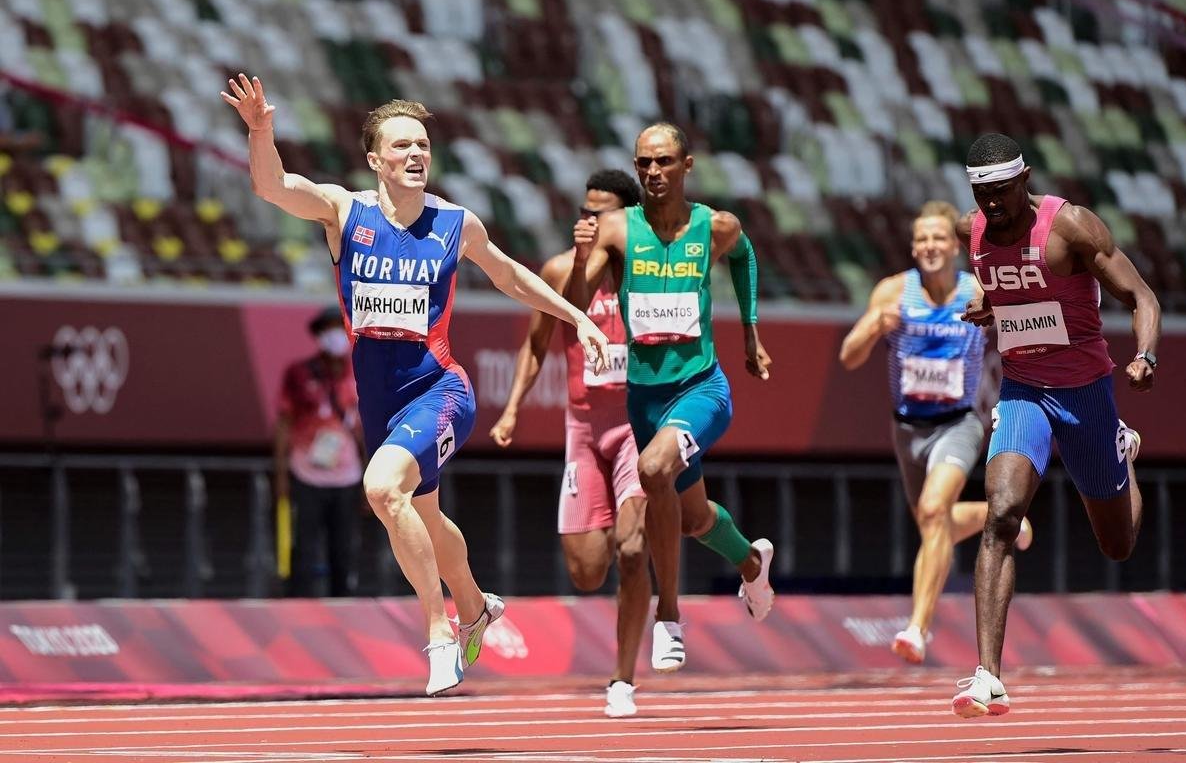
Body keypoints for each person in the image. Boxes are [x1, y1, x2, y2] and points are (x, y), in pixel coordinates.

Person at [222, 74, 611, 696]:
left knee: (381, 489)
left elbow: (511, 276)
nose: (415, 155)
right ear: (375, 158)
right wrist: (262, 131)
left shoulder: (454, 223)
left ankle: (440, 628)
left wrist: (580, 317)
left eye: (423, 146)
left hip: (442, 390)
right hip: (381, 404)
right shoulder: (344, 212)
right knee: (424, 517)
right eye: (402, 146)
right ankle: (477, 602)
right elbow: (272, 186)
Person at [952, 132, 1159, 718]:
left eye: (1001, 192)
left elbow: (1142, 297)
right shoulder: (974, 232)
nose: (991, 204)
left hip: (1087, 394)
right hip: (1024, 391)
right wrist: (990, 309)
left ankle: (1124, 453)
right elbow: (1012, 299)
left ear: (1025, 180)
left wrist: (1145, 356)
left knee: (1116, 546)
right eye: (980, 193)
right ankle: (987, 674)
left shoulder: (1070, 228)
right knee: (1001, 513)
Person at [567, 122, 775, 675]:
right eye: (644, 163)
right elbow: (577, 302)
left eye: (663, 162)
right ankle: (752, 561)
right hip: (645, 399)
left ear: (687, 165)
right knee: (692, 518)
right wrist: (580, 259)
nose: (653, 172)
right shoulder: (615, 229)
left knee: (655, 468)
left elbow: (746, 255)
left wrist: (750, 333)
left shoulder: (715, 225)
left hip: (702, 387)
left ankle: (670, 616)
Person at [838, 201, 1033, 665]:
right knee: (933, 524)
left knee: (932, 510)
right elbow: (848, 356)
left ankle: (917, 628)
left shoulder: (977, 291)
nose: (929, 246)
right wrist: (871, 327)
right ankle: (1001, 516)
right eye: (922, 239)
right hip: (907, 427)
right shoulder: (893, 292)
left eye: (939, 238)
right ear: (913, 246)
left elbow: (1023, 330)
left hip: (960, 422)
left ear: (955, 247)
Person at [489, 169, 649, 718]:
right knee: (586, 571)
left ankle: (622, 679)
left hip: (637, 425)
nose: (588, 221)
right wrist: (512, 408)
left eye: (600, 212)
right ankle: (644, 527)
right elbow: (534, 347)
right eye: (583, 211)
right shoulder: (559, 269)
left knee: (632, 552)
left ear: (627, 219)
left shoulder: (648, 272)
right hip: (582, 429)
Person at [274, 304, 364, 597]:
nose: (334, 336)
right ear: (318, 335)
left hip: (347, 476)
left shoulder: (360, 373)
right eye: (328, 330)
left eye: (339, 328)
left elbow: (365, 429)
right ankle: (298, 607)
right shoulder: (298, 374)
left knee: (343, 550)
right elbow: (284, 424)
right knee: (303, 548)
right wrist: (282, 475)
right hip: (306, 474)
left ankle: (344, 609)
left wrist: (371, 478)